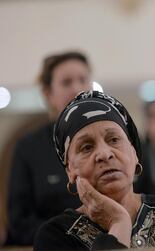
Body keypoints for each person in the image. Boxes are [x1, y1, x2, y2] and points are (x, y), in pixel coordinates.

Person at [34, 91, 155, 251]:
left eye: (113, 139)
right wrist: (119, 223)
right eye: (87, 147)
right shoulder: (55, 235)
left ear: (134, 154)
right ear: (70, 169)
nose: (104, 154)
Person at [7, 51, 92, 245]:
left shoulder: (112, 138)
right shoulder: (28, 148)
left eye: (83, 79)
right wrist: (71, 237)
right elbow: (19, 222)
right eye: (66, 82)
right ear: (48, 93)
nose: (77, 88)